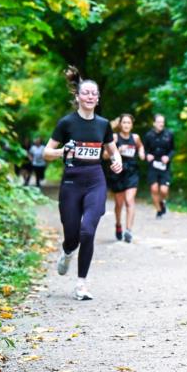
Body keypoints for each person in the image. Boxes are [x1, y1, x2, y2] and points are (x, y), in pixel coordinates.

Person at [43, 66, 123, 300]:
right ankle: (67, 252)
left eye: (93, 94)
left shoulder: (103, 124)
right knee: (72, 235)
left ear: (97, 99)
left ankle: (81, 284)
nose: (89, 97)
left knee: (88, 230)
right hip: (71, 182)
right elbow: (47, 152)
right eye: (85, 93)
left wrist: (117, 161)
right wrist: (63, 151)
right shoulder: (66, 123)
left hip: (95, 180)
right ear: (77, 97)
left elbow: (112, 150)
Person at [109, 114, 144, 242]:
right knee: (119, 204)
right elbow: (105, 155)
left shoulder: (135, 138)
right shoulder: (114, 137)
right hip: (118, 172)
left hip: (132, 172)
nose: (126, 125)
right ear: (120, 124)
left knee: (130, 200)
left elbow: (140, 147)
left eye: (129, 123)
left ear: (132, 125)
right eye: (124, 122)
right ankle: (118, 224)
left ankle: (128, 231)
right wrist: (118, 149)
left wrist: (141, 153)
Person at [143, 114, 175, 218]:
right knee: (154, 189)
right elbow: (144, 150)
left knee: (164, 190)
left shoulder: (169, 134)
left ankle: (162, 202)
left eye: (162, 122)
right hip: (153, 165)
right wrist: (147, 155)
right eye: (159, 122)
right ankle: (159, 210)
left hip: (164, 165)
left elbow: (173, 149)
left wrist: (168, 157)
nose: (161, 124)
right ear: (154, 123)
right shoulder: (148, 135)